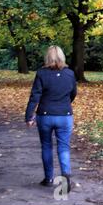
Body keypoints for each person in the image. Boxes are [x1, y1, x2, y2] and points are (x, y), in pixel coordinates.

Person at [25, 45, 77, 192]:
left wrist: (29, 116)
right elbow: (73, 93)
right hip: (65, 115)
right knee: (63, 148)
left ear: (47, 57)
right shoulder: (70, 74)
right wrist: (64, 104)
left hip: (45, 116)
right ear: (62, 57)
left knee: (46, 146)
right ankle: (65, 180)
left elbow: (35, 96)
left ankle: (48, 178)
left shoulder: (41, 73)